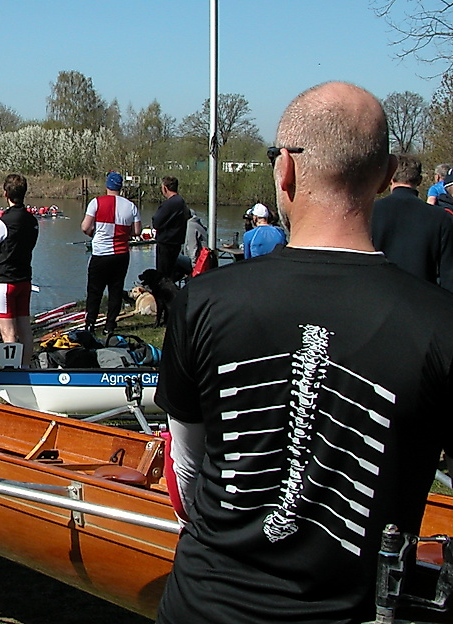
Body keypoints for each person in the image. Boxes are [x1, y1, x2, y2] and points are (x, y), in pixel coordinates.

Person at [156, 81, 453, 624]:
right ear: (387, 177)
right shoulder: (440, 324)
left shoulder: (202, 300)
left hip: (204, 604)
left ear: (285, 170)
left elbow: (186, 469)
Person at [371, 153, 453, 290]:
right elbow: (448, 276)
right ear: (419, 181)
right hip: (424, 296)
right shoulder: (441, 218)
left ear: (390, 179)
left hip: (379, 292)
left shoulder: (370, 213)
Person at [0, 174, 39, 366]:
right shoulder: (32, 221)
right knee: (25, 330)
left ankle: (12, 371)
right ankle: (26, 367)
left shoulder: (4, 222)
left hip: (4, 281)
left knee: (8, 333)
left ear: (5, 193)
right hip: (25, 280)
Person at [81, 171, 141, 337]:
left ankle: (90, 324)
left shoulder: (96, 202)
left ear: (107, 185)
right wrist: (125, 235)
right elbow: (137, 231)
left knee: (95, 291)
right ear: (120, 187)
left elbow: (85, 227)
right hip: (121, 254)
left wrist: (92, 233)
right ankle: (110, 326)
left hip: (101, 254)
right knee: (116, 290)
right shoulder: (131, 206)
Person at [152, 176, 188, 280]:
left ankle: (164, 290)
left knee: (163, 275)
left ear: (165, 188)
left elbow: (156, 222)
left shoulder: (169, 204)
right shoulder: (181, 202)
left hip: (166, 243)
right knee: (170, 273)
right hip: (176, 242)